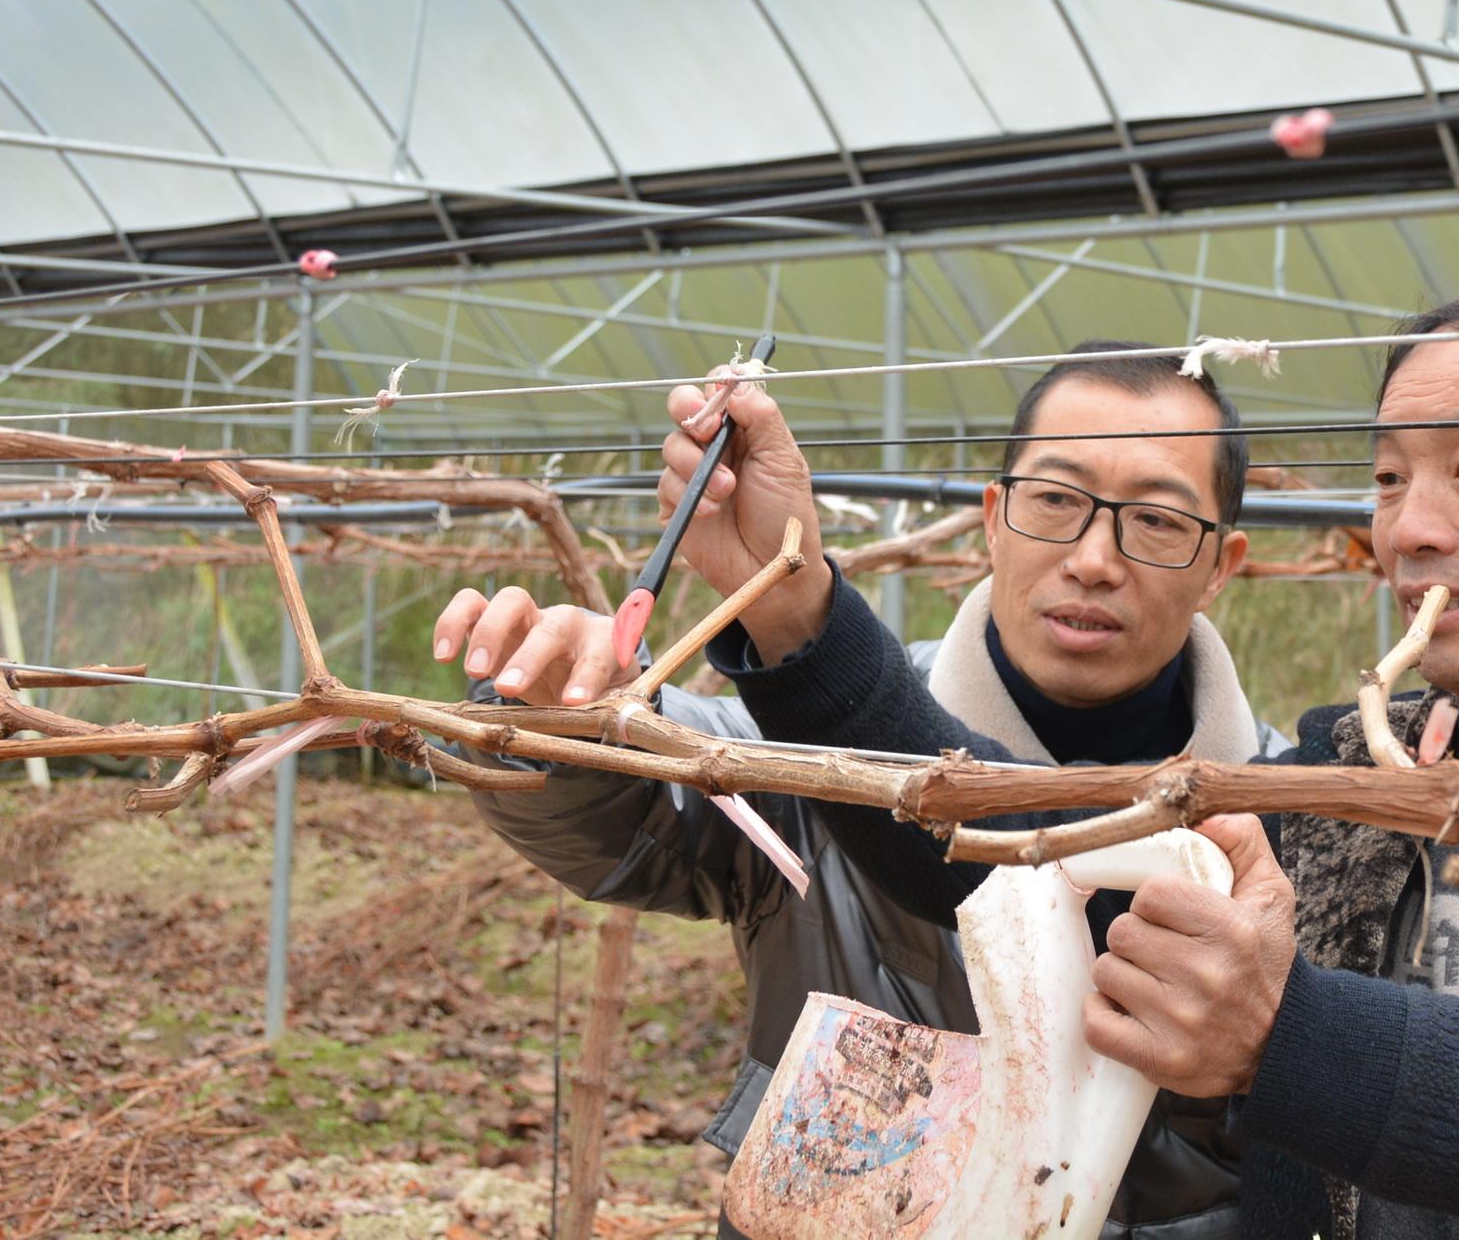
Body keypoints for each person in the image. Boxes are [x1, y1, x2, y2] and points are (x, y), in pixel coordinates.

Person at [603, 279, 1459, 1240]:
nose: (1411, 529)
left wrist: (1288, 1031)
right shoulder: (1325, 784)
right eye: (1386, 480)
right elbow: (1030, 885)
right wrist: (796, 612)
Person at [431, 342, 1288, 1240]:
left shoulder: (1294, 825)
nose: (1094, 559)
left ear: (1221, 564)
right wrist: (564, 721)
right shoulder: (810, 746)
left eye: (1155, 520)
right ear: (993, 519)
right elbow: (647, 803)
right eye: (1056, 502)